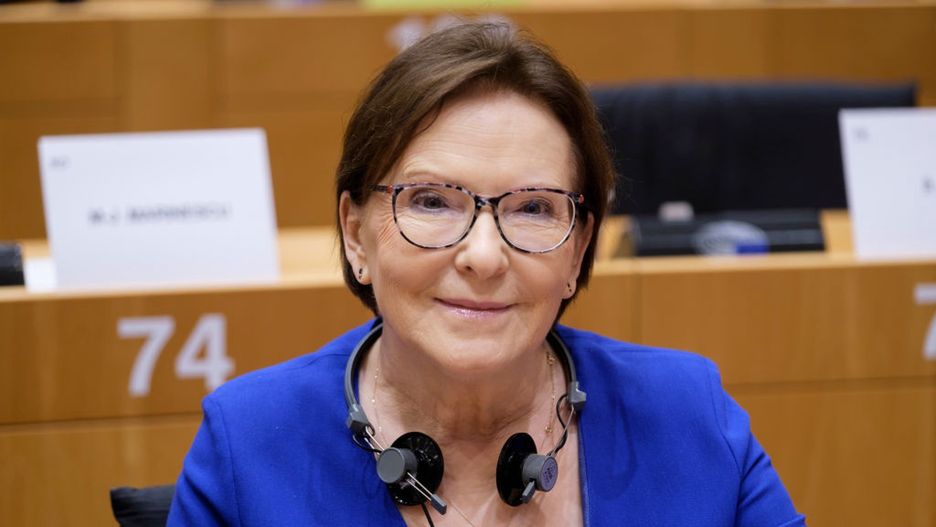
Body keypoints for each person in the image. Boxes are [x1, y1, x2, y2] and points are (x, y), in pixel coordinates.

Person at [168, 22, 806, 526]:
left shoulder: (691, 416)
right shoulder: (248, 444)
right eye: (430, 202)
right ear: (355, 233)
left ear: (579, 250)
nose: (483, 255)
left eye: (533, 209)